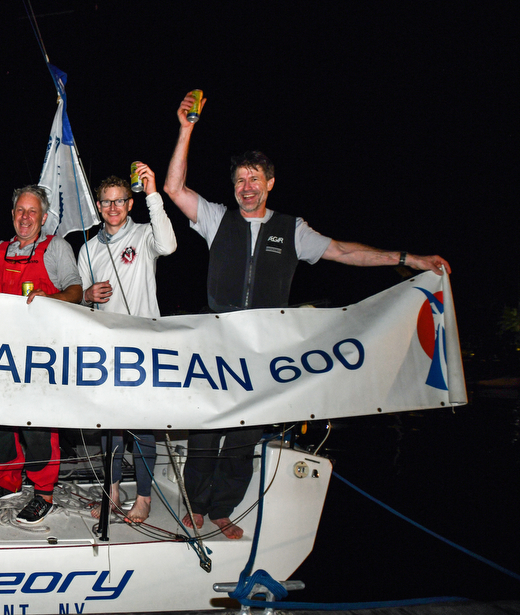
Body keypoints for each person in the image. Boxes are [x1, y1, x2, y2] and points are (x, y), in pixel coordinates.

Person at [163, 90, 451, 539]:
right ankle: (196, 506)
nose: (247, 186)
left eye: (255, 178)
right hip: (215, 344)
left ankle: (222, 509)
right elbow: (174, 189)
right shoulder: (216, 219)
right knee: (205, 432)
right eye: (240, 179)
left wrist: (408, 258)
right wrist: (186, 129)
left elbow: (343, 251)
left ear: (270, 183)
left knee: (242, 436)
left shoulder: (291, 229)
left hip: (263, 349)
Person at [0, 185, 83, 524]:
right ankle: (5, 483)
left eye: (32, 212)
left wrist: (50, 297)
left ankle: (44, 494)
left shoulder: (55, 248)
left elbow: (77, 290)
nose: (25, 217)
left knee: (39, 428)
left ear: (43, 218)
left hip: (42, 354)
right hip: (3, 351)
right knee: (0, 423)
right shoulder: (2, 249)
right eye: (19, 211)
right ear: (12, 215)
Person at [78, 167, 177, 523]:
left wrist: (153, 193)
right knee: (110, 426)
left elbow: (169, 245)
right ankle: (113, 488)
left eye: (120, 200)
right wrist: (88, 295)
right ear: (99, 206)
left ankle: (145, 496)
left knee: (142, 425)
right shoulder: (89, 249)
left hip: (144, 345)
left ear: (129, 203)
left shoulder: (145, 233)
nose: (113, 207)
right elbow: (84, 304)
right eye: (107, 202)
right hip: (106, 347)